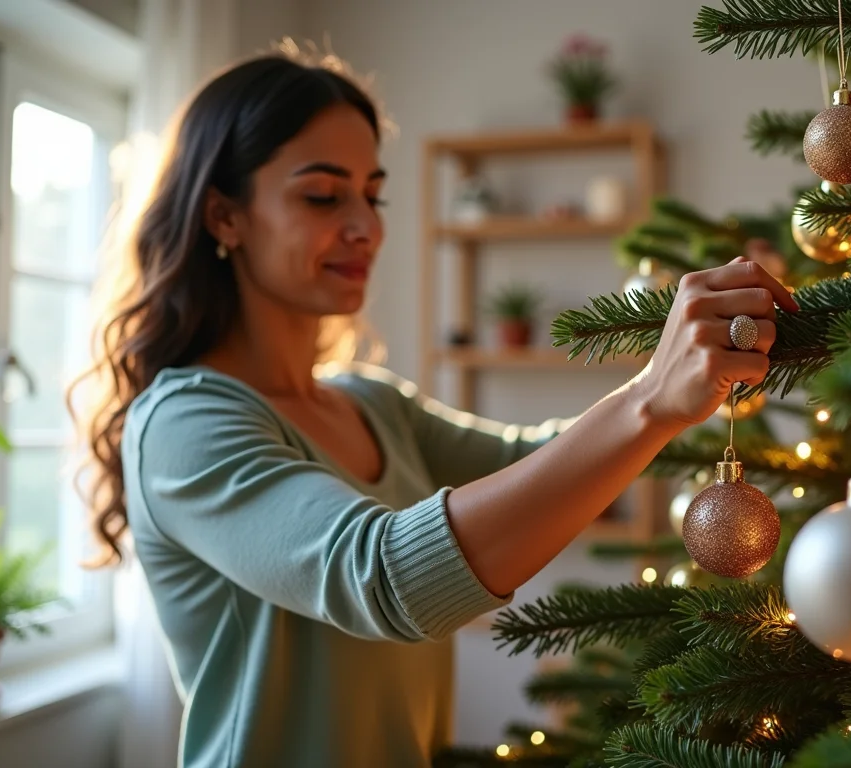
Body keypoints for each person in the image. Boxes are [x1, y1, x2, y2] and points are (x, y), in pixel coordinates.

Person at [71, 50, 797, 768]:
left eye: (373, 194)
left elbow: (538, 460)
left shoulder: (369, 401)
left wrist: (693, 376)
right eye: (324, 196)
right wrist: (648, 399)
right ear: (223, 216)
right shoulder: (182, 422)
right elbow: (387, 579)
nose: (366, 227)